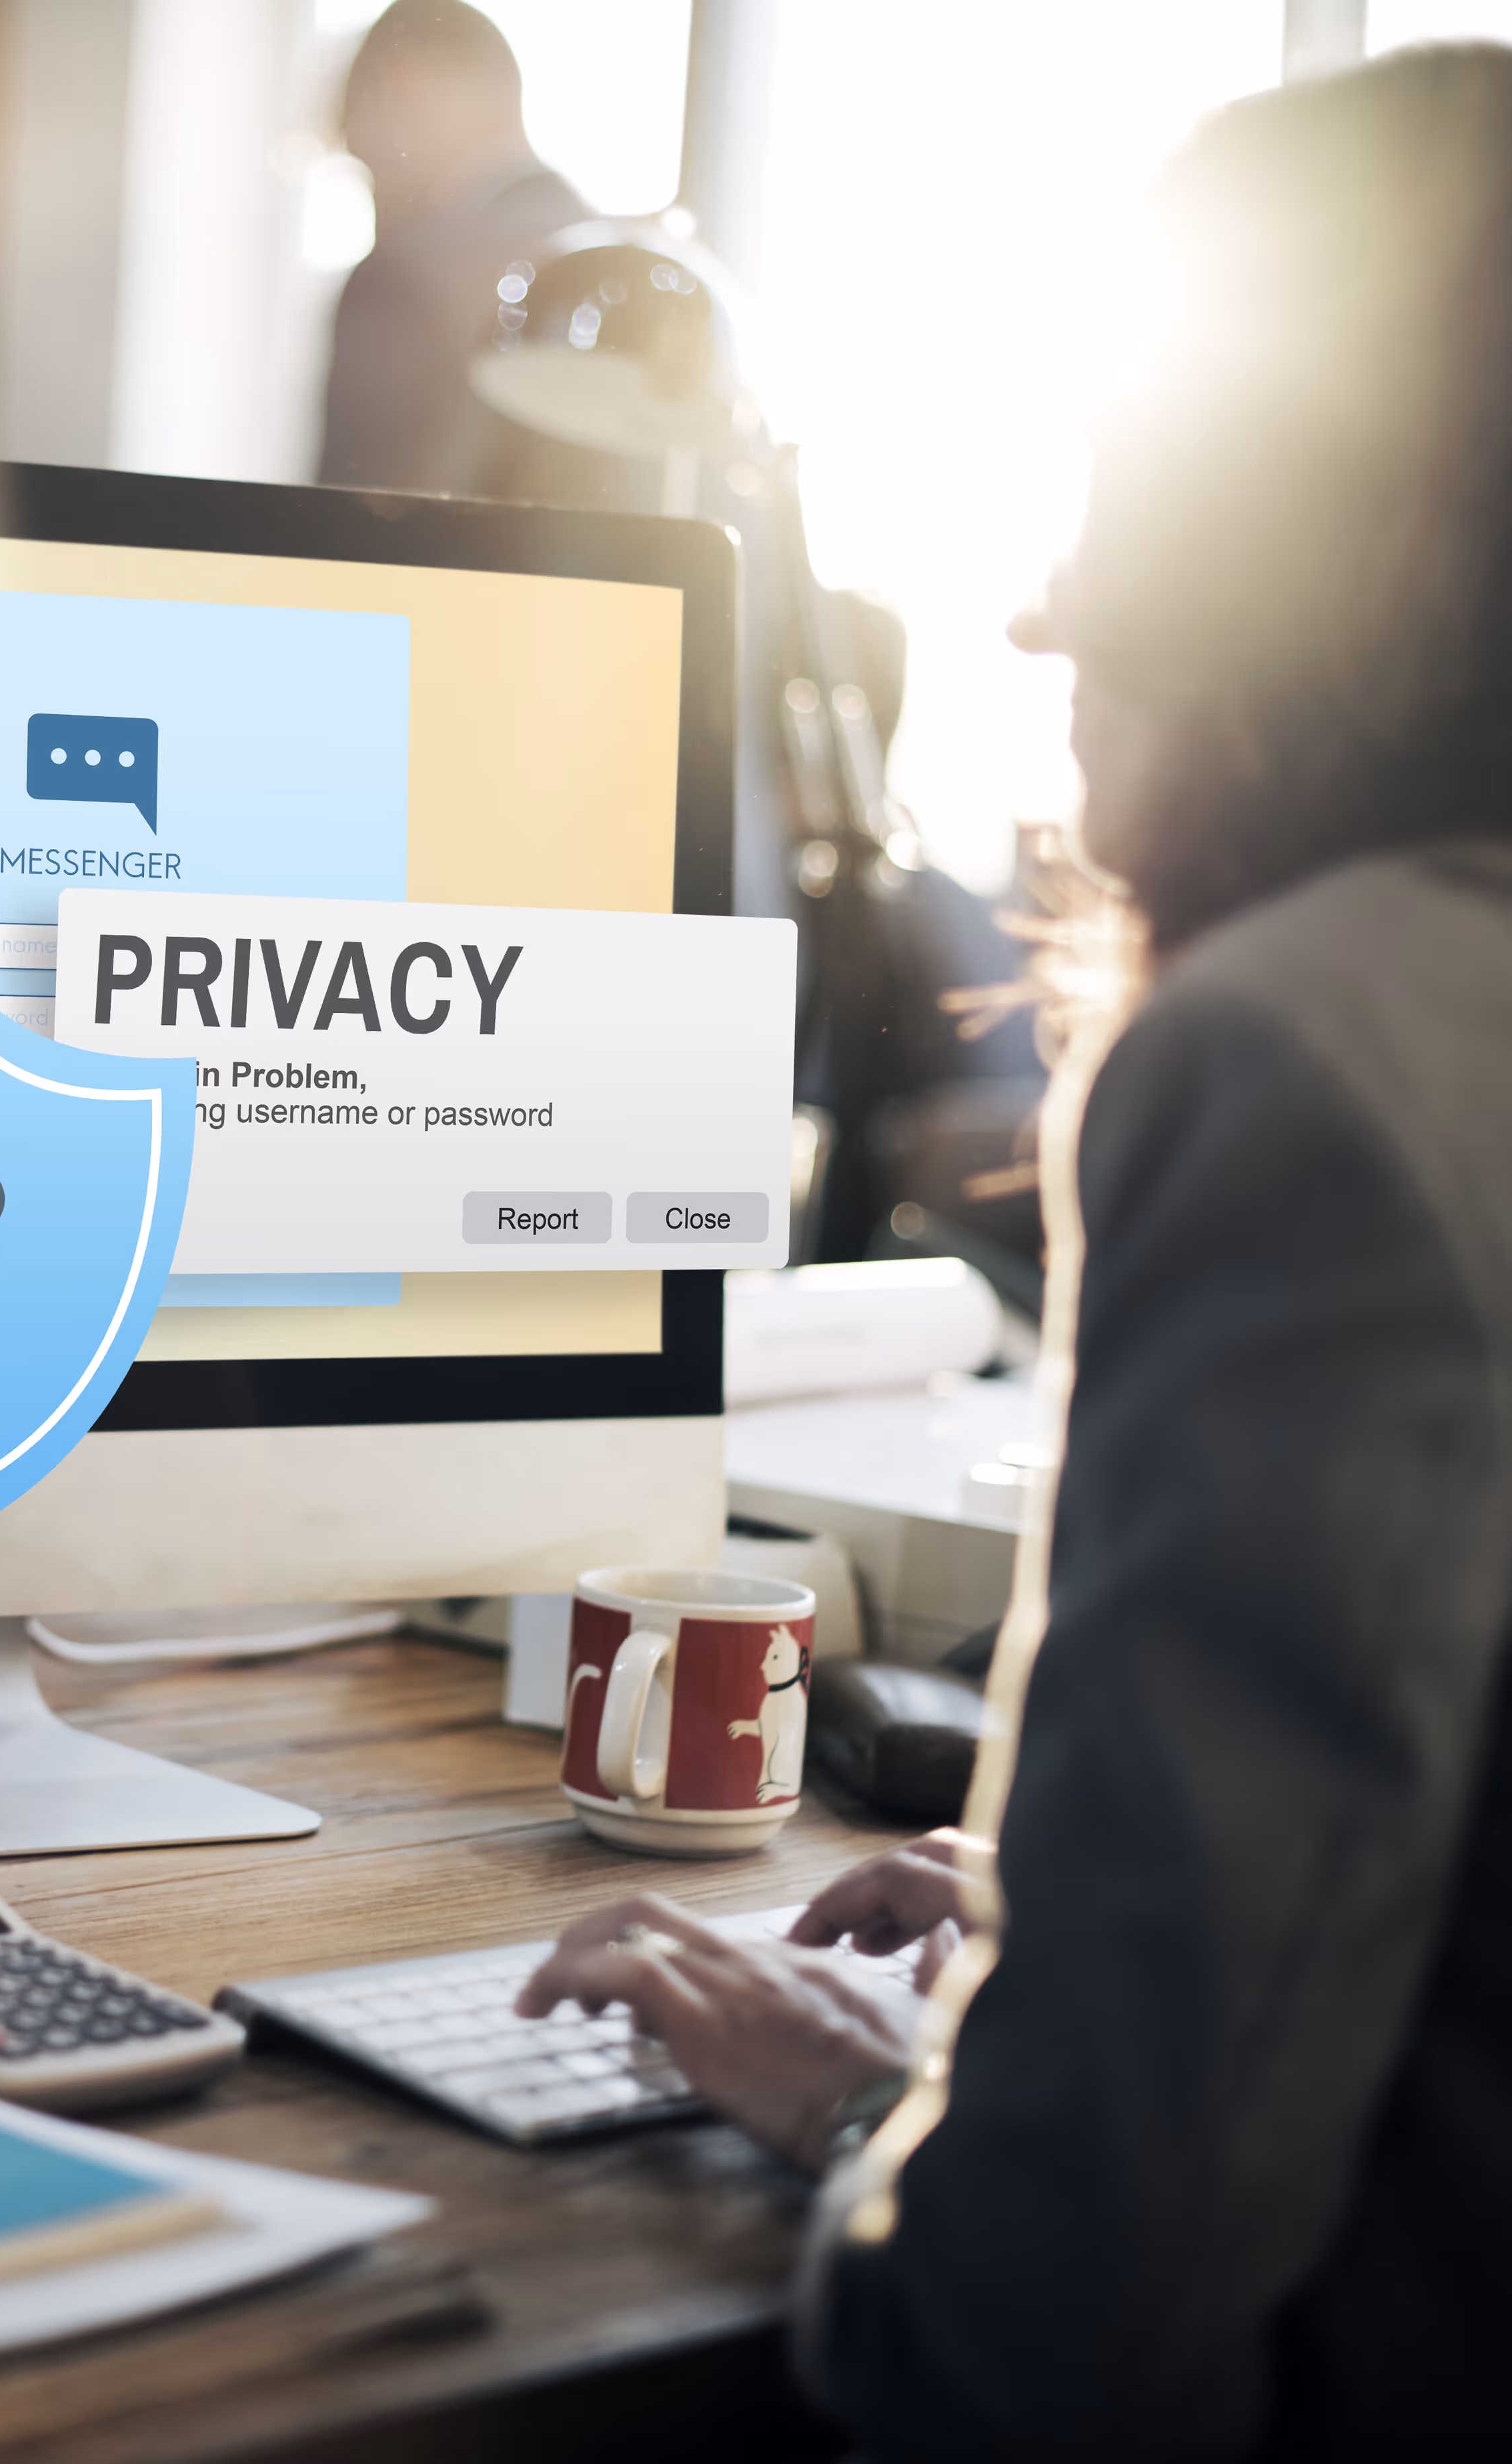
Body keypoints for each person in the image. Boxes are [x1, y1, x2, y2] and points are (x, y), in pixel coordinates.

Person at [520, 48, 1512, 2459]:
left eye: (1127, 489)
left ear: (1331, 541)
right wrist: (1082, 1952)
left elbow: (1056, 2316)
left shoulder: (1314, 1059)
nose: (1034, 597)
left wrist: (876, 2115)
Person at [318, 0, 638, 507]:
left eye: (362, 160)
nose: (373, 196)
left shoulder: (402, 281)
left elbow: (344, 545)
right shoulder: (646, 273)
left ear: (405, 88)